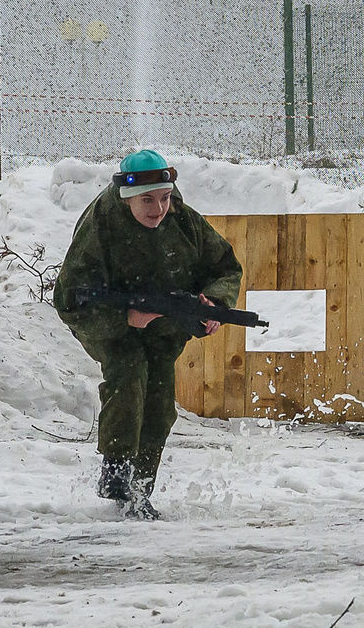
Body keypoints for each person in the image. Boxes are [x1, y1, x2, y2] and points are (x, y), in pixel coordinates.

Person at [51, 149, 242, 520]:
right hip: (108, 322)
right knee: (128, 374)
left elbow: (224, 267)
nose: (158, 209)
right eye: (147, 200)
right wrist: (125, 319)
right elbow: (69, 301)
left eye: (166, 198)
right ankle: (117, 470)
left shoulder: (183, 221)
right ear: (127, 197)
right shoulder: (100, 226)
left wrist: (214, 303)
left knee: (159, 403)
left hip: (164, 326)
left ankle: (140, 491)